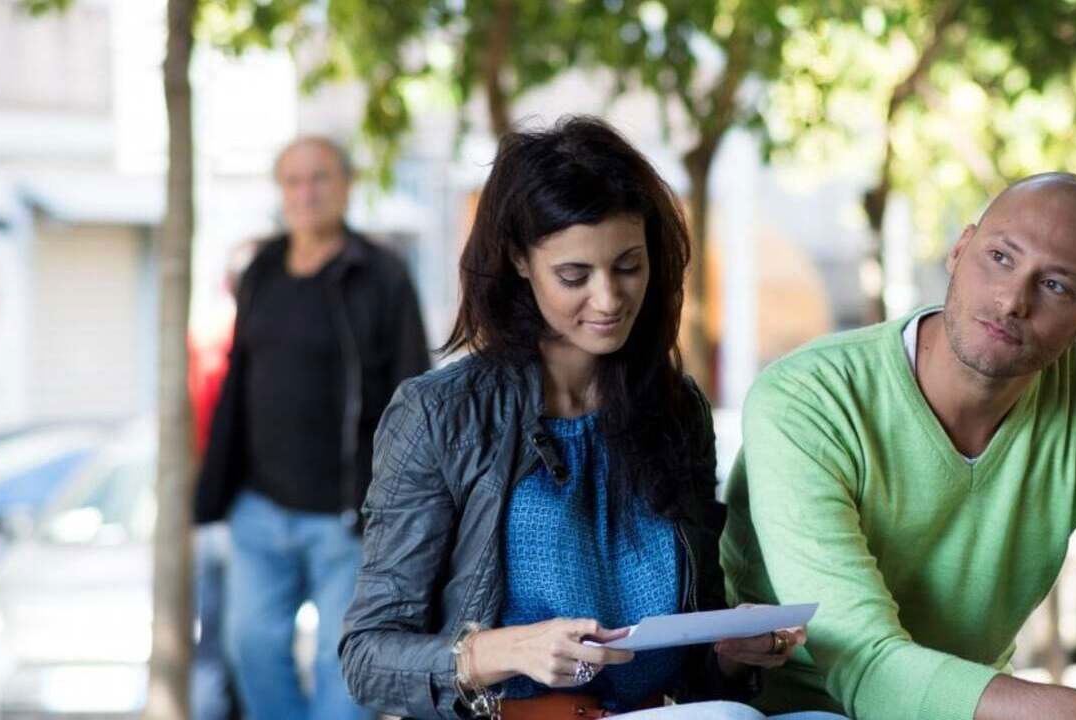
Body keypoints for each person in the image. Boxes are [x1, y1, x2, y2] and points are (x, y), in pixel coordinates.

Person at [338, 117, 838, 720]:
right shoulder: (441, 414)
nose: (608, 300)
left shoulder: (676, 407)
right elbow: (367, 658)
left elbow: (697, 673)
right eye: (574, 276)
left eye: (628, 267)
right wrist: (503, 650)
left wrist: (733, 653)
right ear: (520, 261)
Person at [721, 172, 1076, 720]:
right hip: (795, 709)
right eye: (999, 257)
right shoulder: (808, 399)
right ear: (959, 249)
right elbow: (865, 662)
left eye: (1056, 286)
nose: (1012, 300)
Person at [194, 135, 431, 720]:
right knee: (250, 645)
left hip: (349, 516)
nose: (306, 193)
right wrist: (213, 488)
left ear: (347, 186)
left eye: (319, 177)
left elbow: (414, 394)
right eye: (293, 181)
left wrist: (398, 501)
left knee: (341, 663)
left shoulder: (382, 274)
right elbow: (237, 378)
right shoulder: (262, 269)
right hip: (259, 506)